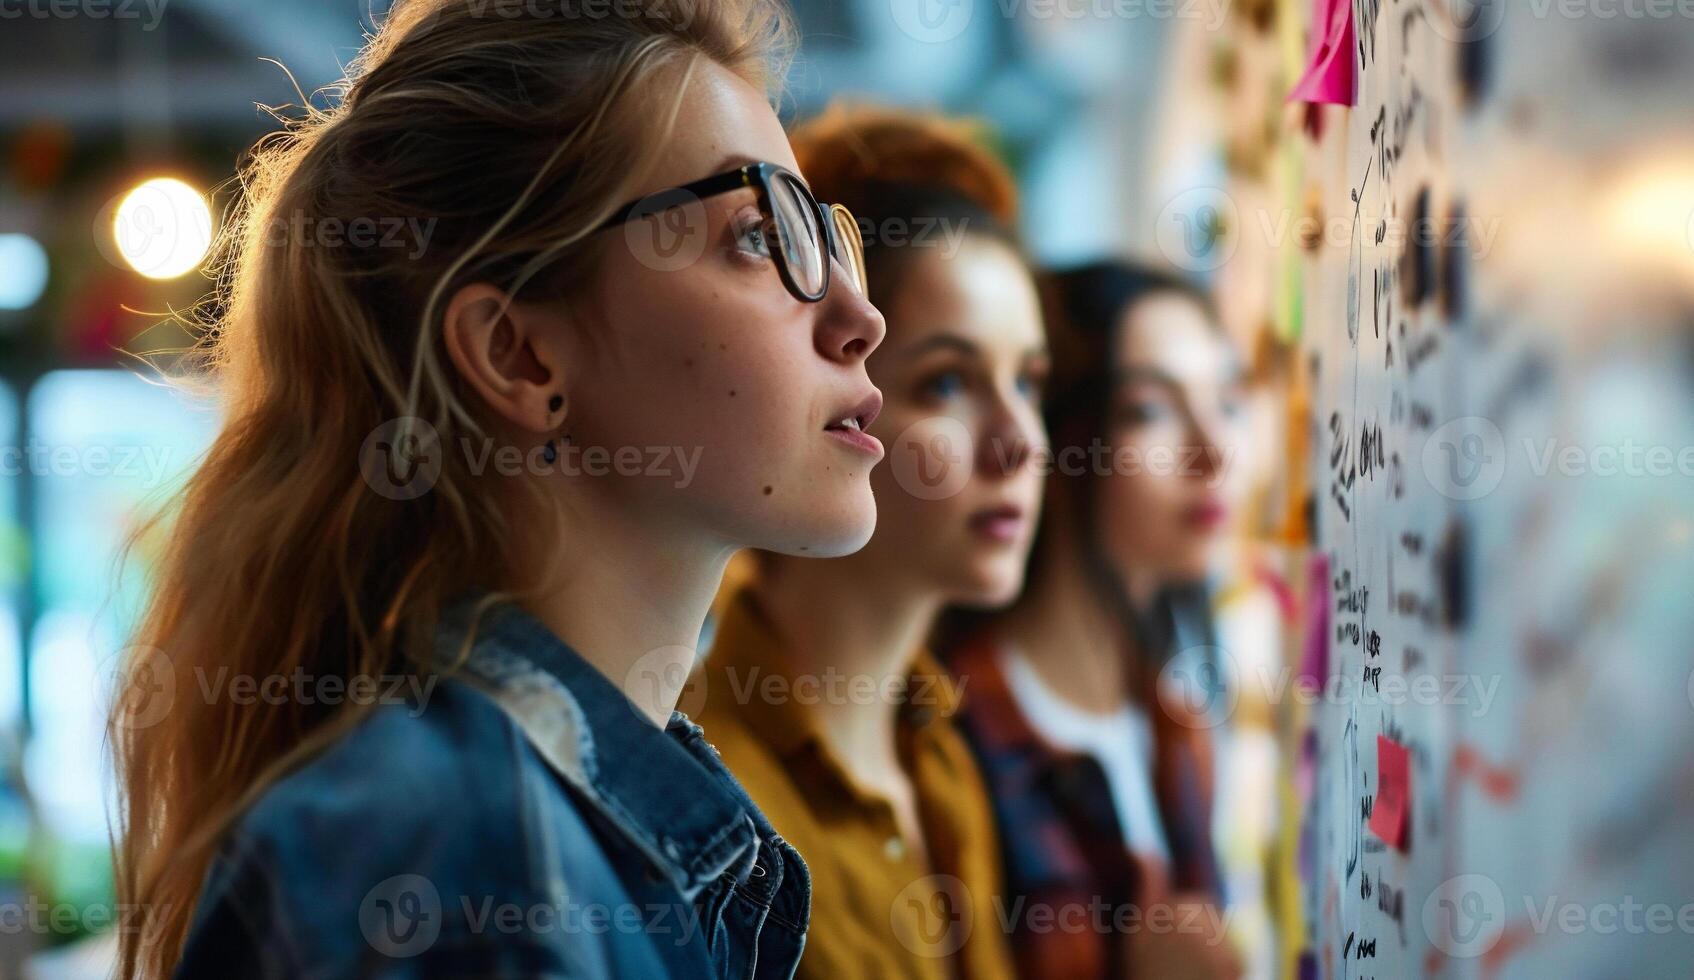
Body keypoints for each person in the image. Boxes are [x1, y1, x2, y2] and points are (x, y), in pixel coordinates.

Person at [107, 1, 889, 976]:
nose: (861, 316)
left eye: (825, 236)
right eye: (758, 233)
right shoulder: (459, 859)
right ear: (516, 353)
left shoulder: (537, 833)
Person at [693, 105, 1048, 979]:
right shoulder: (711, 805)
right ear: (839, 389)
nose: (1019, 443)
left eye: (1030, 382)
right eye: (949, 381)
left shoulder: (942, 760)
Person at [944, 262, 1249, 979]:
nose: (1213, 451)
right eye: (1150, 410)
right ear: (1063, 435)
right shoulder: (956, 738)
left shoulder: (1178, 724)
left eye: (1226, 402)